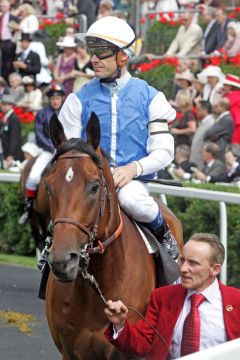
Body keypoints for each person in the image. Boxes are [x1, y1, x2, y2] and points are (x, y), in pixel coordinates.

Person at [59, 16, 178, 259]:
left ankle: (166, 241)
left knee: (132, 200)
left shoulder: (152, 97)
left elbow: (164, 152)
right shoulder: (76, 100)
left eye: (101, 52)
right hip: (88, 182)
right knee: (63, 206)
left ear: (123, 56)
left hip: (130, 182)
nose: (93, 59)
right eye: (92, 51)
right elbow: (67, 152)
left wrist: (133, 169)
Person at [104, 232, 240, 360]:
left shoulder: (236, 300)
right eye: (182, 260)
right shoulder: (162, 297)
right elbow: (144, 344)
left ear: (214, 269)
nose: (183, 269)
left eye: (193, 263)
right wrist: (119, 324)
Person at [19, 82, 65, 224]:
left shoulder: (68, 111)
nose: (55, 101)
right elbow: (40, 137)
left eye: (57, 98)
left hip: (66, 151)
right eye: (52, 99)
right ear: (49, 100)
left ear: (62, 98)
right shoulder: (42, 113)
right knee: (33, 177)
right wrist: (53, 148)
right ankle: (28, 208)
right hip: (48, 151)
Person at [190, 100, 215, 169]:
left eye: (198, 109)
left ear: (204, 110)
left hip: (201, 161)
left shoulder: (211, 123)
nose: (197, 111)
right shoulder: (204, 122)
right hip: (196, 159)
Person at [0, 94, 23, 168]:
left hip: (13, 154)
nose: (2, 107)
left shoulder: (14, 118)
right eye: (2, 104)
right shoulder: (7, 117)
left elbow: (14, 138)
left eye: (4, 105)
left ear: (11, 105)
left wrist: (11, 154)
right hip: (6, 150)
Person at [0, 0, 18, 81]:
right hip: (1, 41)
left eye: (5, 6)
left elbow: (17, 29)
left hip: (8, 41)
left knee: (7, 62)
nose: (3, 8)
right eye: (1, 6)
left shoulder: (13, 17)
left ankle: (6, 79)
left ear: (9, 7)